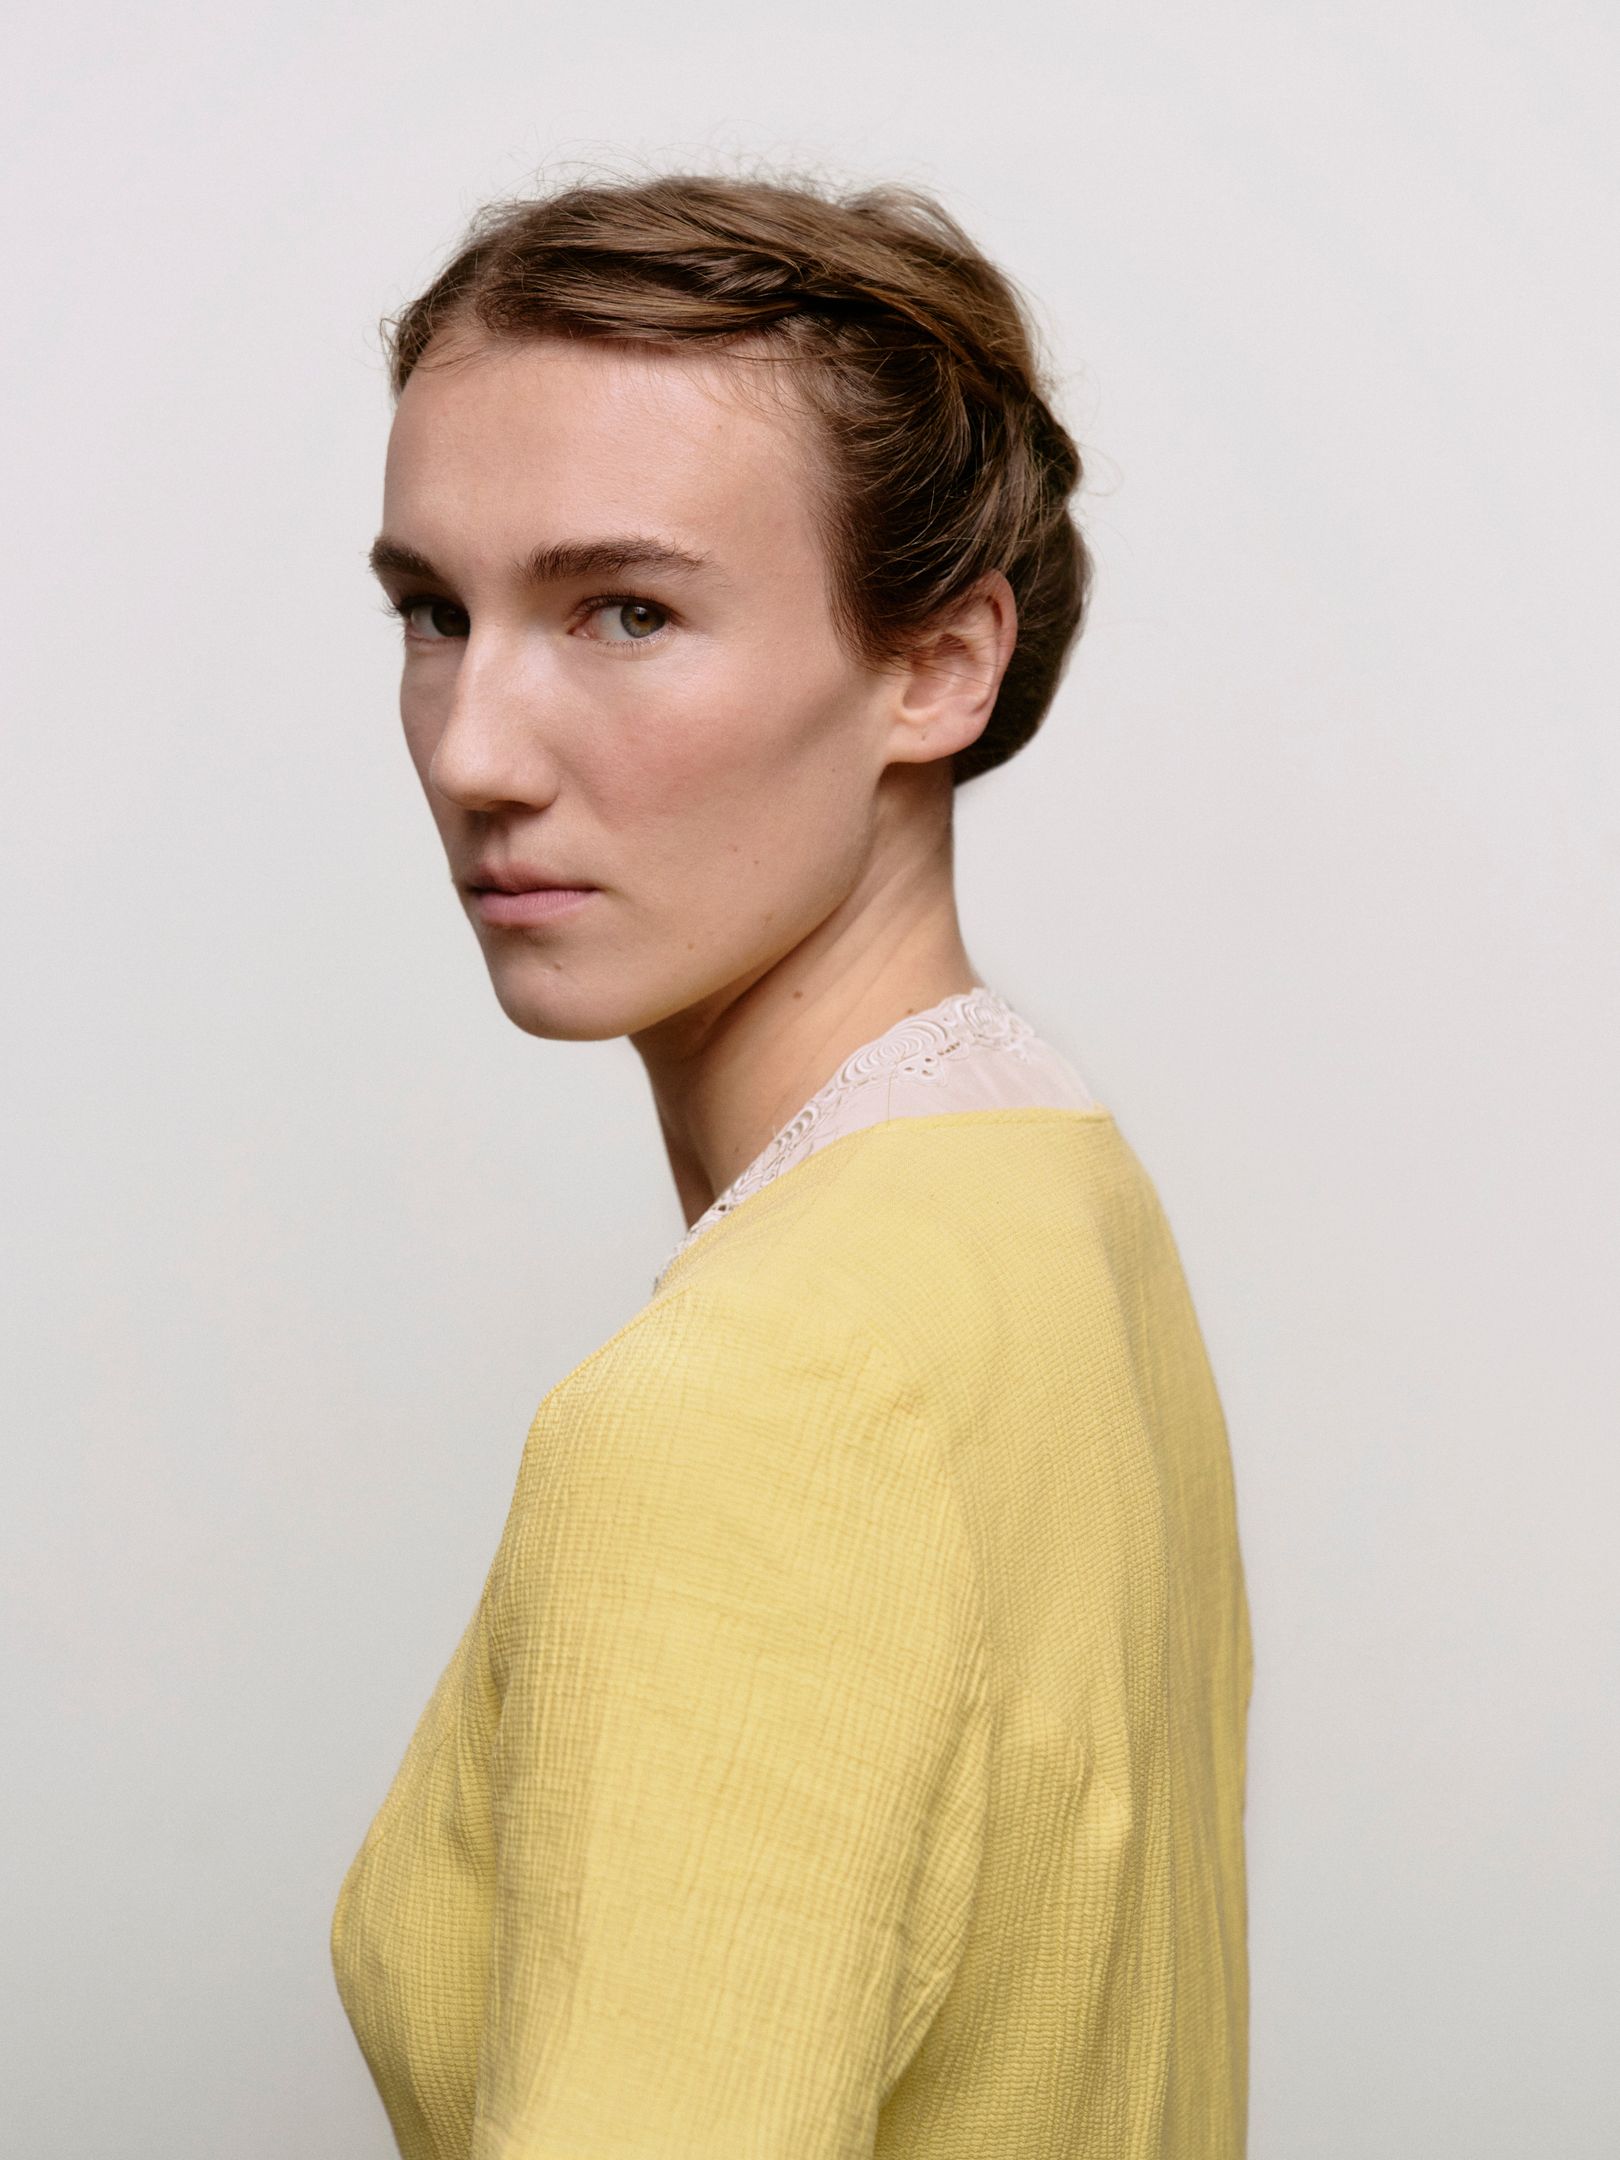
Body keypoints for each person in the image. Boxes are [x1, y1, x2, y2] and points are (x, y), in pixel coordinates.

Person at [330, 170, 1253, 2158]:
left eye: (627, 612)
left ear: (937, 666)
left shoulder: (754, 1404)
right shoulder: (1053, 1202)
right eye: (434, 612)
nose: (474, 751)